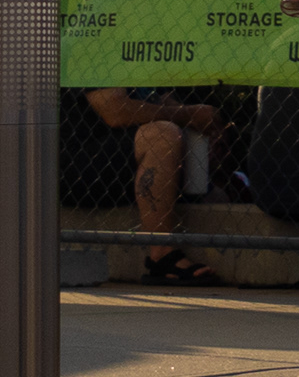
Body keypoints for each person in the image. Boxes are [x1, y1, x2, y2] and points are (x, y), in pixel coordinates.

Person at [86, 88, 229, 283]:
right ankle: (161, 255)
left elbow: (162, 99)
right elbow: (115, 111)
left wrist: (196, 114)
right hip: (83, 161)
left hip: (131, 161)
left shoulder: (145, 61)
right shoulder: (99, 57)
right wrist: (187, 115)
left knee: (219, 196)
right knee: (162, 135)